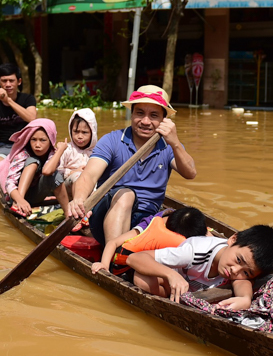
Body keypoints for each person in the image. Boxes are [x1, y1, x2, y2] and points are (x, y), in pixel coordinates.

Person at [66, 85, 196, 246]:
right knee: (126, 195)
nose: (145, 121)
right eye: (140, 113)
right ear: (132, 114)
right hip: (106, 215)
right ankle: (114, 256)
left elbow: (190, 173)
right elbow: (89, 176)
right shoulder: (112, 140)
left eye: (153, 115)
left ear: (164, 120)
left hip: (145, 223)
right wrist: (78, 200)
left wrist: (175, 143)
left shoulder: (169, 146)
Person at [127, 225, 273, 311]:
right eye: (238, 260)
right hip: (167, 285)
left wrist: (245, 299)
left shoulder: (237, 273)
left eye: (246, 272)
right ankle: (164, 300)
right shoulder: (194, 252)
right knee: (141, 279)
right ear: (233, 239)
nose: (234, 270)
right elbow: (134, 258)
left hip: (190, 292)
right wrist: (170, 275)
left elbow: (243, 283)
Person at [91, 206, 208, 277]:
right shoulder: (149, 225)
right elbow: (113, 243)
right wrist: (104, 265)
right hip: (129, 269)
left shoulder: (193, 234)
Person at [0, 118, 58, 215]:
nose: (37, 145)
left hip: (36, 195)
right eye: (33, 140)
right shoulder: (23, 154)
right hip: (17, 196)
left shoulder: (54, 154)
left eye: (43, 140)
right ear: (28, 140)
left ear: (51, 140)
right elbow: (10, 183)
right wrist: (20, 200)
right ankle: (17, 205)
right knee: (33, 161)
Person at [43, 108, 97, 212]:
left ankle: (92, 211)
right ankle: (78, 209)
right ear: (70, 131)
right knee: (78, 176)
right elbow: (55, 173)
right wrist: (72, 172)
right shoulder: (66, 149)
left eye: (84, 132)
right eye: (76, 132)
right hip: (67, 189)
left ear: (92, 133)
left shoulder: (97, 151)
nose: (79, 136)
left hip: (90, 189)